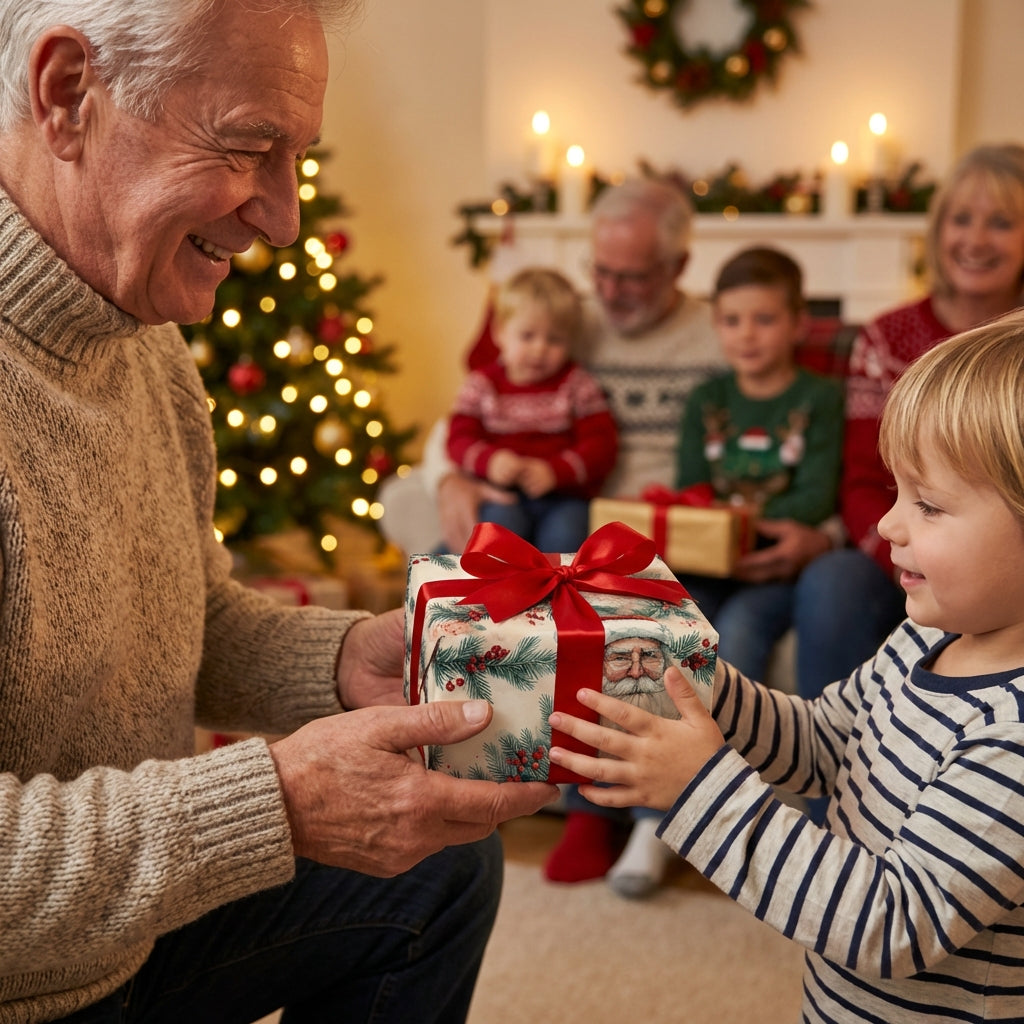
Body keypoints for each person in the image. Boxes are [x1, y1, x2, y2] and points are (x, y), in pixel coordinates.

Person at [0, 3, 558, 1022]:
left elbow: (181, 617)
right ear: (68, 93)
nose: (285, 217)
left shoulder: (141, 338)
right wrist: (275, 804)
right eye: (250, 145)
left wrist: (348, 660)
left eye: (295, 156)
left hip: (118, 934)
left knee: (442, 872)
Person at [547, 308, 1024, 1022]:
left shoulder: (1012, 733)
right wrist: (699, 681)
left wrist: (700, 790)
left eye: (927, 505)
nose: (887, 524)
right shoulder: (925, 641)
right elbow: (827, 743)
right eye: (895, 493)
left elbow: (890, 926)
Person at [763, 143, 1024, 712]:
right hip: (894, 548)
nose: (975, 240)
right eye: (960, 220)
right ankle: (831, 781)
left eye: (1001, 223)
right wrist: (912, 555)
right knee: (834, 582)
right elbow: (861, 480)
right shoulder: (885, 337)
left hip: (990, 553)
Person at [675, 246, 843, 680]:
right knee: (678, 625)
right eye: (732, 321)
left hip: (778, 569)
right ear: (716, 325)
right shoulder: (706, 399)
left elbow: (816, 495)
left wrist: (740, 519)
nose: (746, 334)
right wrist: (717, 523)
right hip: (709, 560)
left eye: (764, 320)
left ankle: (729, 745)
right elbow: (690, 488)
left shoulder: (821, 398)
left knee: (741, 627)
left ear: (798, 324)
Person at [445, 267, 618, 552]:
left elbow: (602, 444)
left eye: (554, 340)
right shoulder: (482, 385)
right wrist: (490, 461)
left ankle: (555, 596)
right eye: (527, 336)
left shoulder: (577, 384)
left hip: (563, 497)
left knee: (566, 540)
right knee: (498, 537)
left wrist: (557, 471)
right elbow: (458, 439)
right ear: (500, 333)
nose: (539, 349)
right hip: (501, 494)